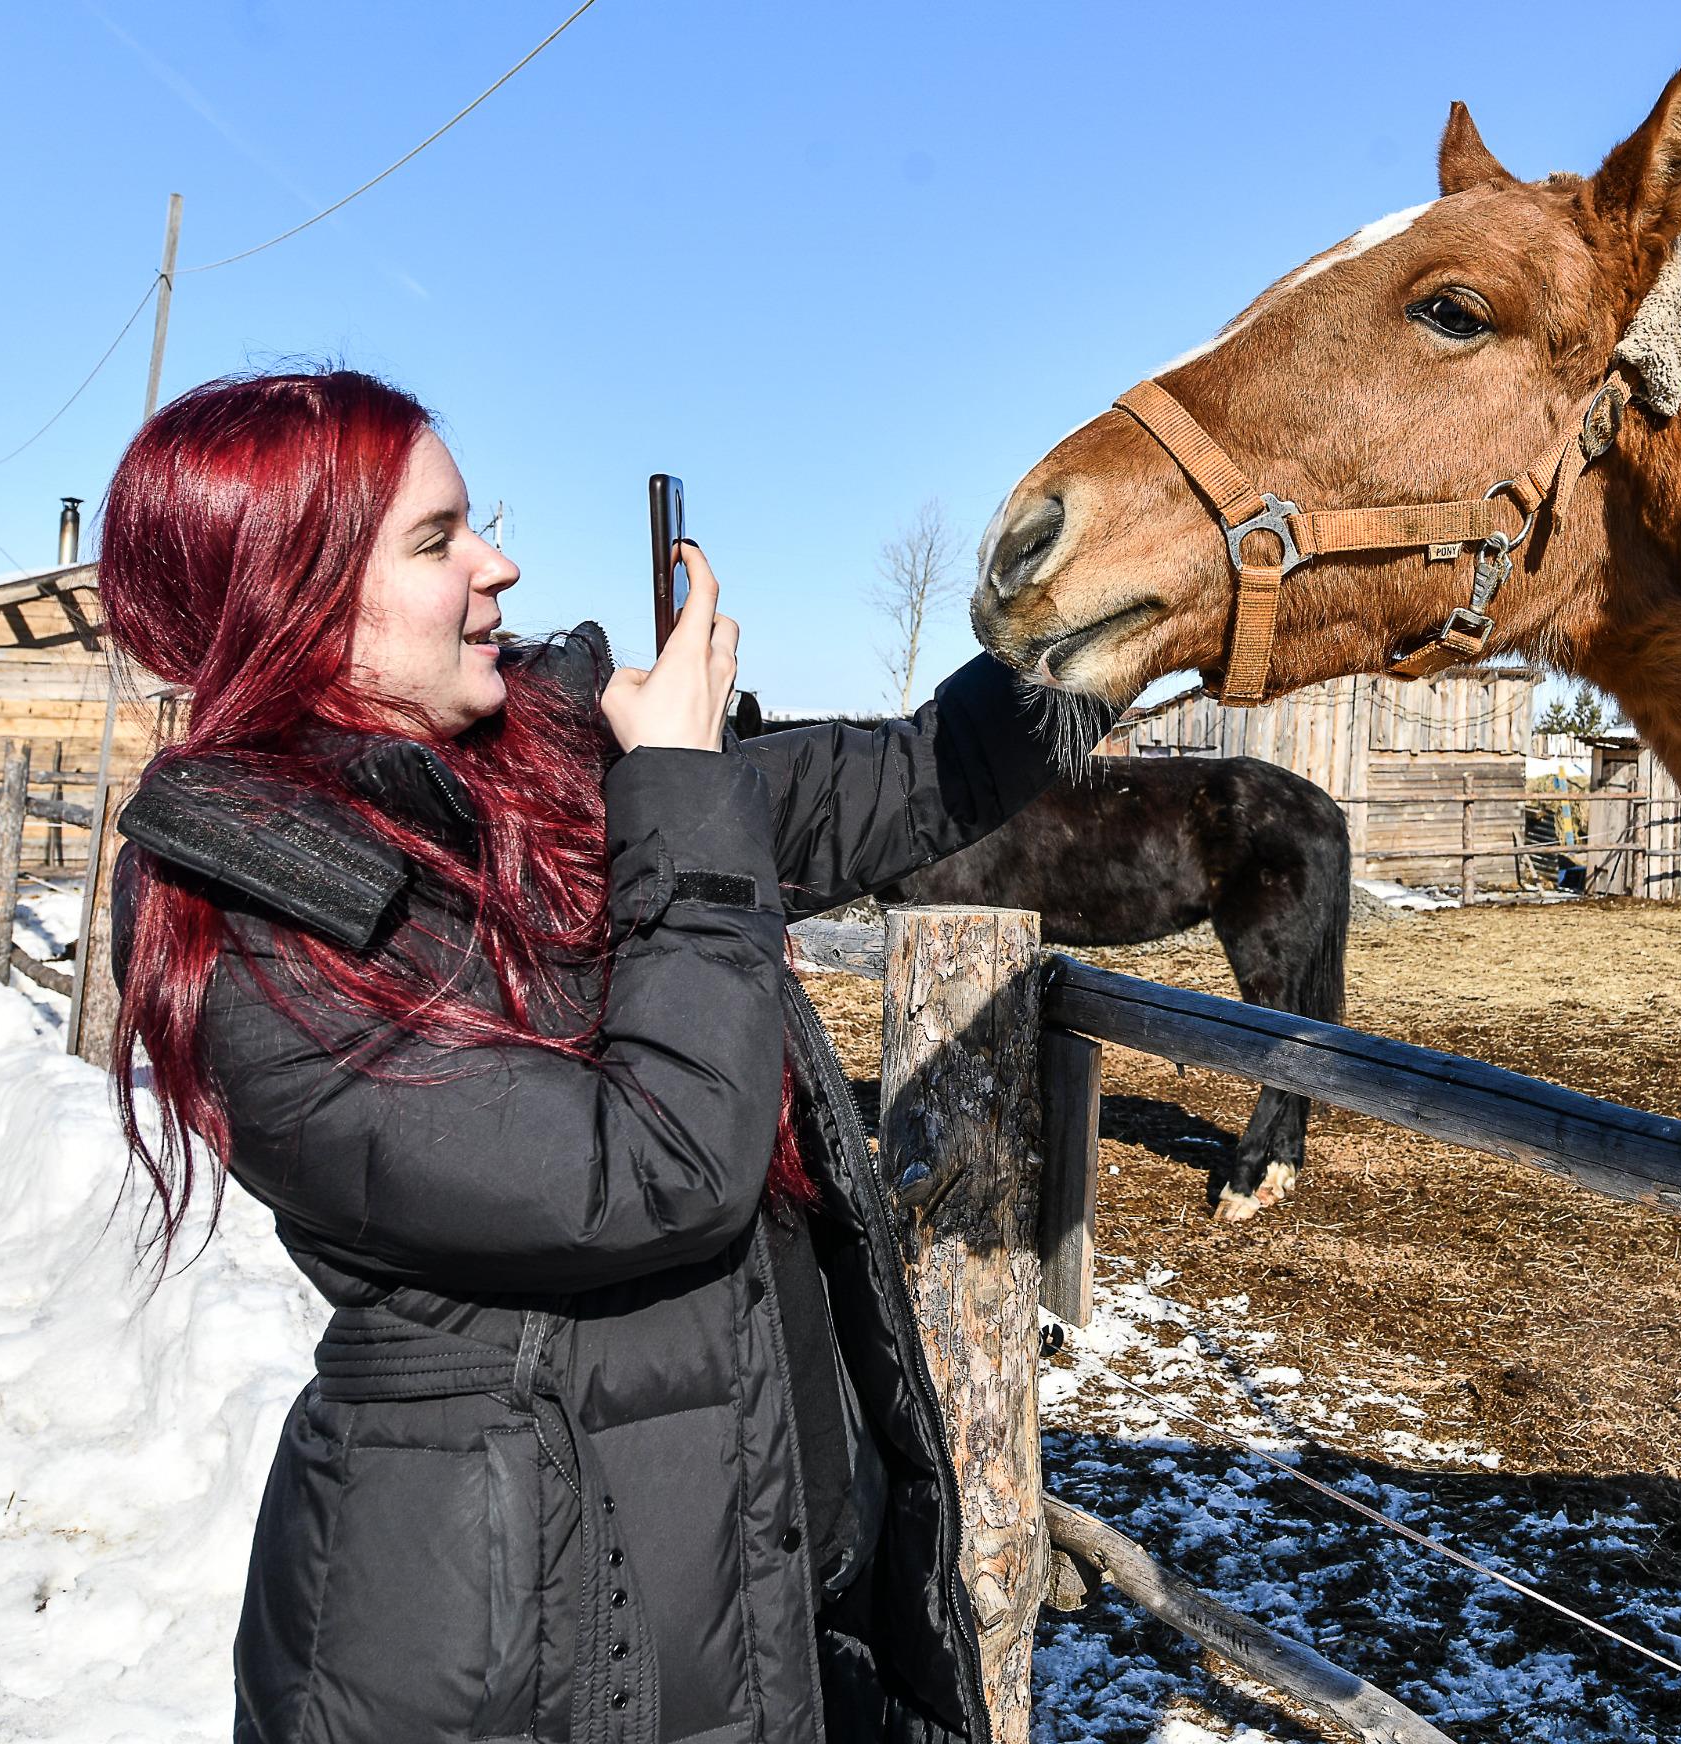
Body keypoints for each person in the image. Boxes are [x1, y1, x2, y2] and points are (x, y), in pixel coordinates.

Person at [98, 369, 1102, 1744]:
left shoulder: (544, 763)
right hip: (516, 1657)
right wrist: (680, 792)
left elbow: (911, 777)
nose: (500, 565)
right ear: (293, 597)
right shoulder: (257, 931)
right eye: (438, 540)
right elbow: (650, 1165)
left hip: (742, 1590)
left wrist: (1108, 624)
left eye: (478, 523)